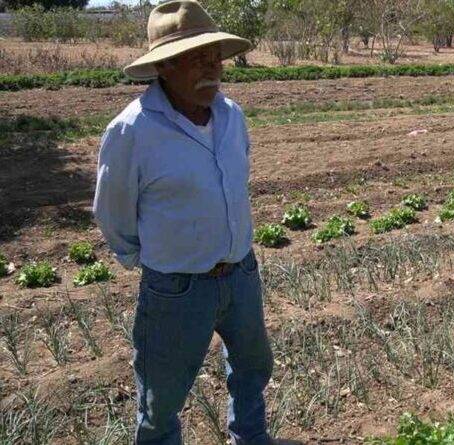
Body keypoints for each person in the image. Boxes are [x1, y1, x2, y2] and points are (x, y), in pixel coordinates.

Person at [93, 2, 302, 444]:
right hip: (176, 287)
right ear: (164, 67)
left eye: (215, 55)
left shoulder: (232, 116)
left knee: (252, 366)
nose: (212, 66)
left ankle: (250, 437)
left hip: (241, 273)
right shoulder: (132, 131)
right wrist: (154, 258)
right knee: (161, 398)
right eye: (196, 57)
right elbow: (112, 213)